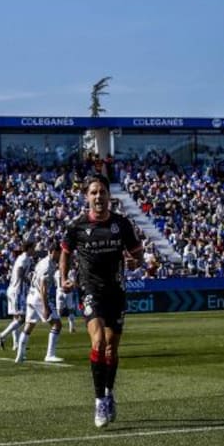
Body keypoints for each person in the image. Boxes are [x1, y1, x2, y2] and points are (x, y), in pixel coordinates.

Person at [60, 174, 143, 428]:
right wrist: (63, 278)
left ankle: (108, 392)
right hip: (90, 290)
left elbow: (138, 255)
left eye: (102, 192)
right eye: (93, 192)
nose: (98, 196)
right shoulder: (76, 226)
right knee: (98, 342)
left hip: (116, 291)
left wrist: (134, 262)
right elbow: (65, 252)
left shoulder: (122, 224)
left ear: (109, 195)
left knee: (111, 348)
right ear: (87, 196)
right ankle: (99, 401)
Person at [15, 240, 65, 364]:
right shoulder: (47, 265)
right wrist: (45, 306)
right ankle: (50, 354)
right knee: (57, 324)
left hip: (31, 296)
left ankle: (20, 355)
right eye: (60, 253)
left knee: (29, 326)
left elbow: (33, 276)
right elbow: (43, 286)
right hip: (39, 297)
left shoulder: (42, 262)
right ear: (54, 252)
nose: (61, 256)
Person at [0, 240, 34, 351]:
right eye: (33, 248)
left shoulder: (23, 258)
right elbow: (19, 273)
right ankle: (2, 336)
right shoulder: (24, 259)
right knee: (22, 318)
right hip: (17, 290)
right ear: (29, 248)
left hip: (14, 289)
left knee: (16, 318)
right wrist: (29, 281)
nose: (34, 250)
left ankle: (16, 344)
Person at [56, 267, 81, 332]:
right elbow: (72, 283)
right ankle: (71, 327)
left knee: (59, 311)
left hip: (59, 292)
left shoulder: (56, 272)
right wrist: (75, 284)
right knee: (71, 310)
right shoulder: (70, 272)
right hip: (68, 292)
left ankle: (57, 327)